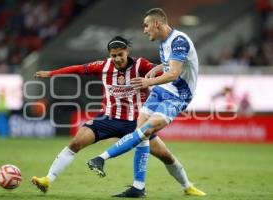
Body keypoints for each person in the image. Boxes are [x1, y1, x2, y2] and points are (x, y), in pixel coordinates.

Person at [31, 35, 204, 197]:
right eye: (113, 55)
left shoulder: (141, 65)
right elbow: (78, 69)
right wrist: (51, 74)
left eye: (120, 55)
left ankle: (187, 186)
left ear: (127, 52)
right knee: (75, 143)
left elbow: (167, 72)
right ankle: (47, 179)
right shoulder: (102, 66)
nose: (117, 59)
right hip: (107, 119)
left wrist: (178, 81)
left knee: (165, 156)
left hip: (136, 122)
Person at [87, 8, 206, 197]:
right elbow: (171, 65)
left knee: (148, 129)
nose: (144, 30)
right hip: (162, 90)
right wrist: (157, 69)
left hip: (179, 95)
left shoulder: (179, 41)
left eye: (146, 25)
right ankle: (138, 187)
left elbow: (174, 73)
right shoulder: (163, 41)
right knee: (140, 131)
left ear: (157, 23)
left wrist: (148, 81)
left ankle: (102, 157)